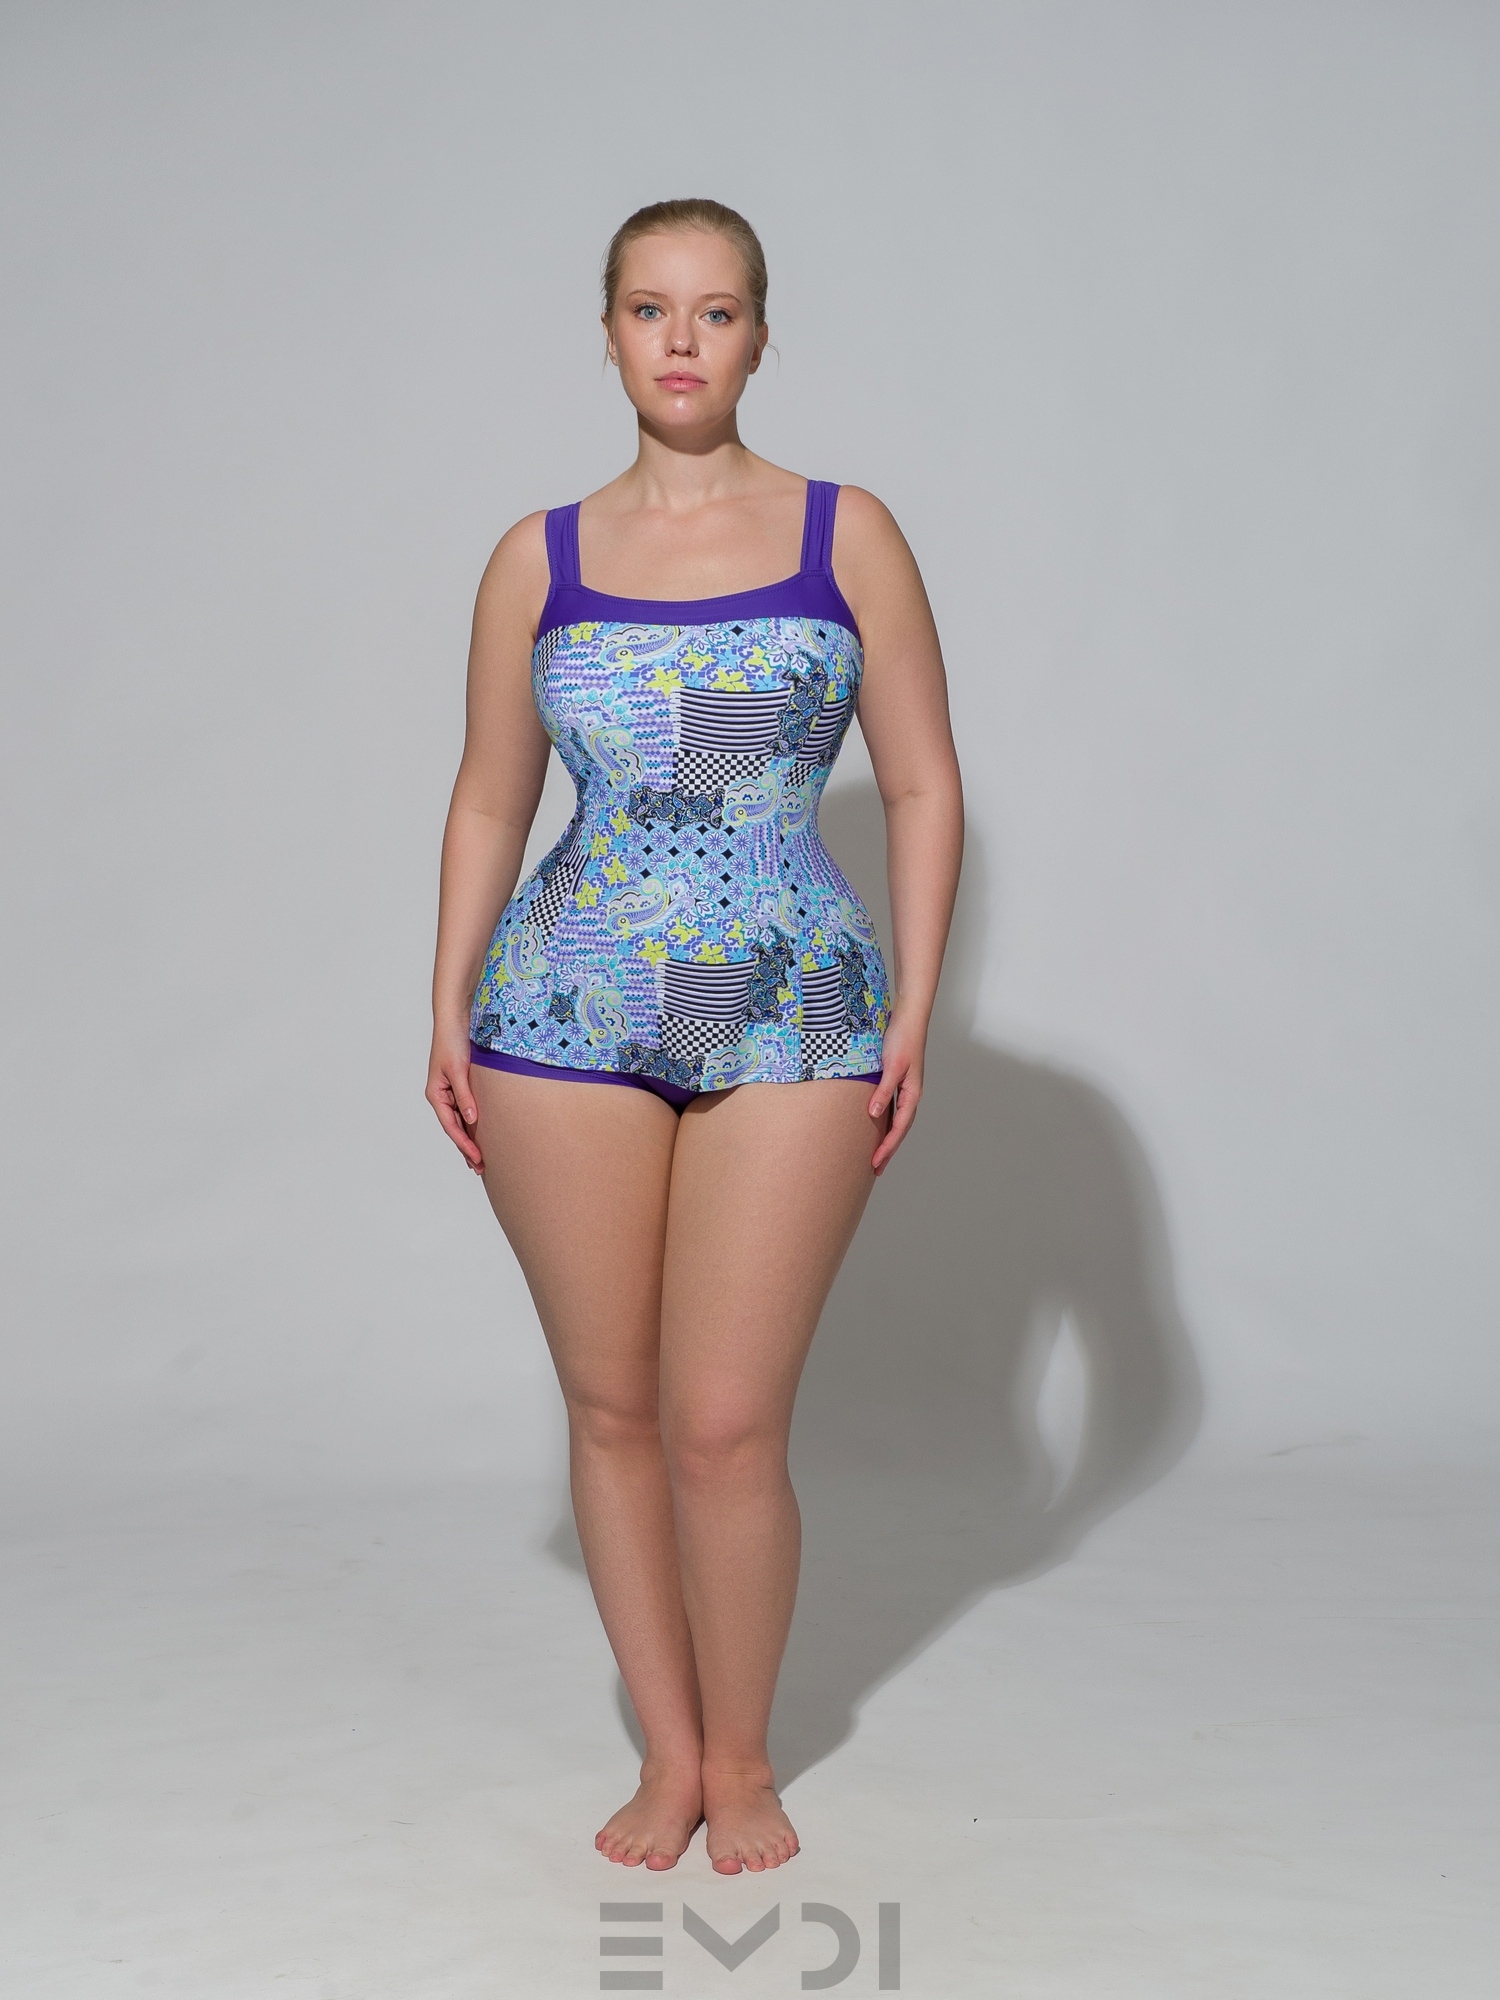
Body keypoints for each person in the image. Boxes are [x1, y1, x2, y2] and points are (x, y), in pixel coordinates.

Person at [426, 199, 963, 1875]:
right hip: (563, 1010)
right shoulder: (539, 559)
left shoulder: (845, 533)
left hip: (795, 1006)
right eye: (650, 308)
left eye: (716, 311)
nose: (681, 339)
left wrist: (919, 1002)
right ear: (606, 335)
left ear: (758, 338)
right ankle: (669, 1754)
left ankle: (746, 1757)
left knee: (725, 1419)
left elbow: (925, 783)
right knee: (611, 1410)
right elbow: (491, 796)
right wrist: (443, 998)